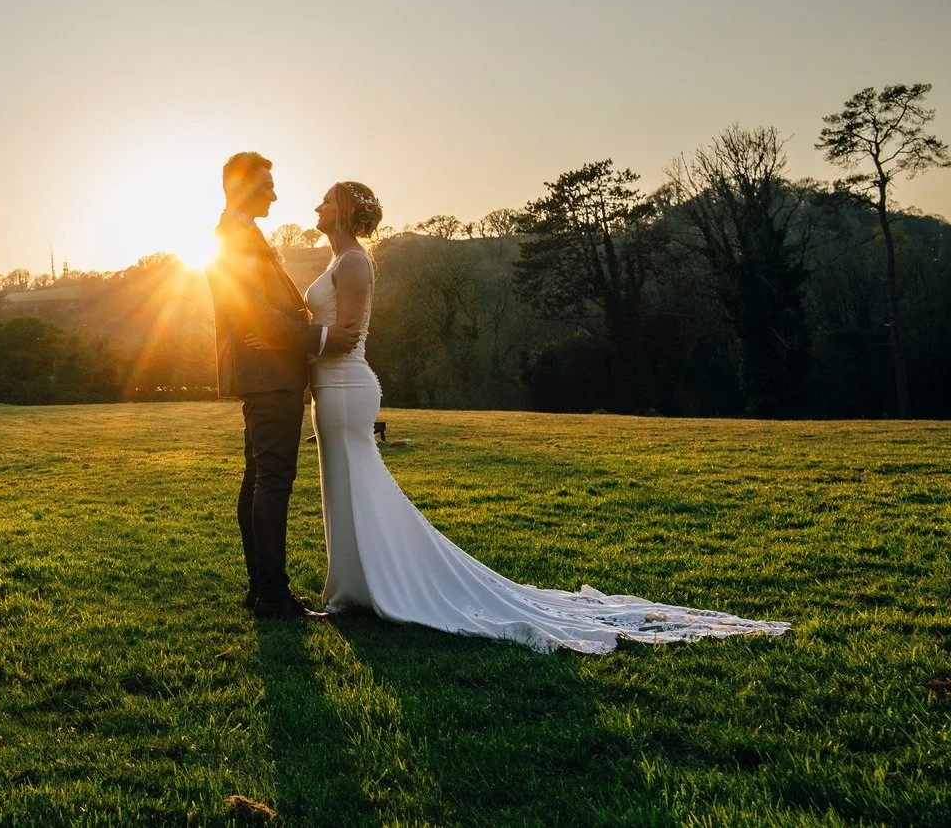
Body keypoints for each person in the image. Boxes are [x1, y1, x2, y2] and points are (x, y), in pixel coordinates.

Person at [305, 179, 790, 653]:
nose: (317, 207)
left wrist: (295, 342)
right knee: (340, 485)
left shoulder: (353, 263)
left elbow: (346, 335)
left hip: (347, 386)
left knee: (358, 483)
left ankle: (389, 586)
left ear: (345, 211)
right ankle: (353, 587)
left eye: (326, 201)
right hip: (329, 388)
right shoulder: (336, 260)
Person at [207, 152, 334, 618]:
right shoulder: (235, 237)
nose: (275, 195)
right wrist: (319, 336)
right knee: (272, 480)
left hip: (266, 369)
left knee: (259, 477)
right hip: (269, 371)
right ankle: (274, 596)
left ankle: (261, 590)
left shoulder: (241, 233)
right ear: (240, 187)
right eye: (266, 186)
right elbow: (253, 311)